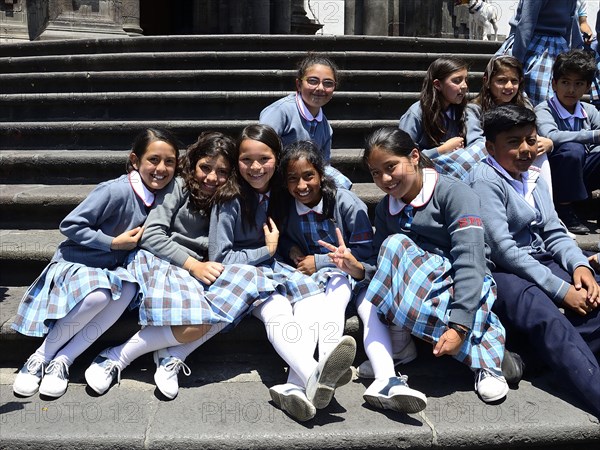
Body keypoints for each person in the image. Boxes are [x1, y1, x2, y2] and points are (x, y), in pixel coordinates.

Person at [322, 127, 515, 404]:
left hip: (459, 280)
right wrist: (359, 270)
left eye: (391, 167)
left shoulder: (454, 193)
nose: (385, 179)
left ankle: (486, 361)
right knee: (392, 247)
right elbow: (387, 270)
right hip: (419, 289)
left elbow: (470, 260)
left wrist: (459, 327)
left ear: (414, 156)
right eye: (376, 173)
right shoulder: (387, 209)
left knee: (396, 244)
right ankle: (401, 347)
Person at [83, 132, 275, 399]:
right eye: (205, 168)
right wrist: (192, 265)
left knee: (245, 288)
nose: (211, 178)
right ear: (193, 163)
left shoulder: (228, 196)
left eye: (221, 171)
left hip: (202, 268)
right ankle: (115, 357)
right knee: (196, 325)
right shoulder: (179, 187)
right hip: (165, 261)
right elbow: (151, 235)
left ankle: (169, 355)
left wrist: (266, 249)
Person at [12, 128, 180, 398]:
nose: (161, 168)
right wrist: (113, 243)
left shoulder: (165, 195)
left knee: (128, 289)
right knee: (99, 296)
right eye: (153, 160)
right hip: (79, 262)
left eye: (169, 161)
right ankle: (40, 356)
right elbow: (70, 225)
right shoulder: (115, 190)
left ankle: (64, 359)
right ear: (135, 161)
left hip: (113, 269)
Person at [209, 124, 356, 422]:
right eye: (246, 159)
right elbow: (220, 257)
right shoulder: (229, 199)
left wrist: (284, 250)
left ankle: (294, 387)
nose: (255, 167)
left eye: (264, 159)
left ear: (277, 158)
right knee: (277, 309)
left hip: (276, 267)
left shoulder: (281, 191)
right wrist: (267, 250)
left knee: (312, 300)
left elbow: (333, 178)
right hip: (243, 272)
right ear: (236, 161)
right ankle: (314, 373)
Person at [469, 104, 600, 418]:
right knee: (547, 315)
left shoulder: (533, 175)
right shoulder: (485, 179)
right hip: (499, 272)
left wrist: (579, 266)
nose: (525, 149)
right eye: (513, 143)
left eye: (530, 139)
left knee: (594, 298)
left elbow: (554, 230)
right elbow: (503, 250)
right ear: (491, 147)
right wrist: (560, 290)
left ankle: (529, 358)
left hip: (536, 260)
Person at [278, 140, 426, 414]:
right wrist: (292, 250)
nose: (301, 186)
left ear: (322, 175)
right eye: (293, 179)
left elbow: (366, 252)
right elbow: (284, 238)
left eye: (309, 176)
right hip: (308, 278)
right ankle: (300, 379)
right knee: (306, 306)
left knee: (349, 298)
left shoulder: (348, 204)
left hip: (349, 273)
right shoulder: (288, 207)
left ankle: (354, 367)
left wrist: (323, 260)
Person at [259, 53, 352, 189]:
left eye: (328, 83)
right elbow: (260, 153)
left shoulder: (325, 125)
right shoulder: (280, 112)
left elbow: (323, 165)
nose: (320, 88)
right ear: (299, 84)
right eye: (313, 81)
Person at [467, 55, 554, 197]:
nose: (508, 86)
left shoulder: (524, 105)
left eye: (514, 81)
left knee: (539, 152)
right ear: (487, 81)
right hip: (490, 160)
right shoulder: (475, 109)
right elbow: (474, 143)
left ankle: (547, 206)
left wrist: (548, 142)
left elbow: (536, 134)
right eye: (501, 81)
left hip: (520, 159)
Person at [534, 49, 600, 235]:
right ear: (554, 84)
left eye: (578, 84)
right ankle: (564, 209)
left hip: (581, 172)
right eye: (565, 82)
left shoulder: (589, 110)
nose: (571, 90)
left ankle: (584, 201)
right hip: (555, 175)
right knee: (572, 149)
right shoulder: (544, 109)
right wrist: (593, 136)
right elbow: (551, 135)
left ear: (587, 87)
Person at [399, 56, 488, 181]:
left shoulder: (465, 110)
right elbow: (403, 155)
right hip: (424, 174)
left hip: (457, 172)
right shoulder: (416, 113)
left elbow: (477, 141)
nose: (464, 86)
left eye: (465, 80)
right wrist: (442, 149)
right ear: (437, 85)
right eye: (457, 81)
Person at [495, 0, 582, 106]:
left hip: (533, 44)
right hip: (557, 45)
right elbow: (570, 26)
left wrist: (515, 63)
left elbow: (526, 24)